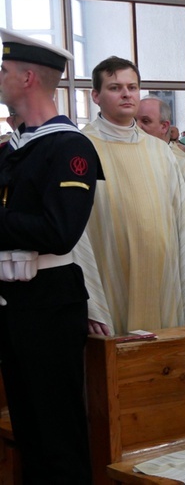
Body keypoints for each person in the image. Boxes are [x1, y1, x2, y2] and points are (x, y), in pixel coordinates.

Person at [0, 28, 102, 483]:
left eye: (2, 70)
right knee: (28, 431)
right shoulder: (12, 149)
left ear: (27, 78)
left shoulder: (69, 147)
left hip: (49, 304)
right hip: (12, 303)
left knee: (57, 435)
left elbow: (59, 232)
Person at [81, 56, 185, 335]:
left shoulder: (159, 150)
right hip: (111, 279)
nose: (125, 93)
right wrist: (90, 300)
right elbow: (76, 232)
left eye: (132, 87)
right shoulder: (81, 146)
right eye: (115, 87)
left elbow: (183, 217)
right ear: (96, 95)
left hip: (162, 281)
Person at [136, 95, 185, 220]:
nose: (137, 127)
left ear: (164, 126)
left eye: (146, 121)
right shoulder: (126, 158)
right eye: (134, 120)